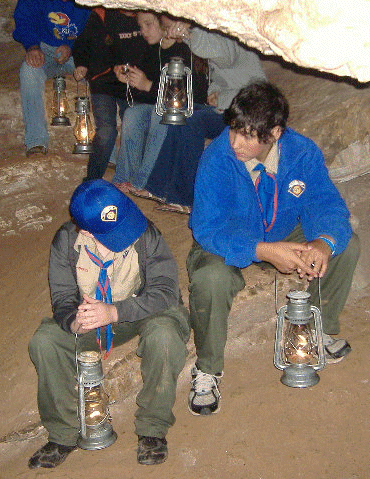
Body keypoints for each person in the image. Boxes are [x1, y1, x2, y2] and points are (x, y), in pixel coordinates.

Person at [187, 81, 360, 415]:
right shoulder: (217, 159)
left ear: (275, 132)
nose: (236, 142)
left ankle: (316, 329)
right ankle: (207, 368)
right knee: (210, 278)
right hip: (230, 236)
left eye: (249, 135)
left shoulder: (302, 152)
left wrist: (323, 242)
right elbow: (207, 228)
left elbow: (326, 204)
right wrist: (263, 250)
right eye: (234, 129)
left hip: (283, 228)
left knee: (345, 245)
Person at [28, 179, 190, 468]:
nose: (126, 236)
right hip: (92, 314)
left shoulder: (144, 232)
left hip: (142, 308)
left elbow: (165, 291)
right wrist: (74, 322)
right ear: (85, 230)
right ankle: (63, 434)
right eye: (114, 233)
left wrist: (115, 312)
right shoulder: (67, 241)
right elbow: (63, 298)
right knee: (45, 341)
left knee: (165, 334)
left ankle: (152, 429)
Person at [116, 20, 267, 214]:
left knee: (191, 120)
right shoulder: (220, 44)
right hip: (226, 111)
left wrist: (190, 35)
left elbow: (226, 59)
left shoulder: (234, 38)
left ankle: (185, 199)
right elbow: (220, 76)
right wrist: (215, 95)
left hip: (248, 113)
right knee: (182, 112)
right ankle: (158, 187)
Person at [112, 12, 209, 203]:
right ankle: (124, 178)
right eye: (140, 26)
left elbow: (193, 96)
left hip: (186, 109)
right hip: (159, 107)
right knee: (132, 113)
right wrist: (129, 79)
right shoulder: (152, 49)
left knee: (158, 112)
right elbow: (146, 95)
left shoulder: (185, 49)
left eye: (148, 25)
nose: (143, 31)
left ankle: (145, 181)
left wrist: (147, 85)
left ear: (163, 25)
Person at [72, 8, 147, 180]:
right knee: (106, 131)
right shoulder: (103, 14)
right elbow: (84, 42)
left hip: (131, 81)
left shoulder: (146, 15)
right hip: (104, 80)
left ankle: (131, 178)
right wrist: (82, 64)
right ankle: (92, 179)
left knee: (134, 125)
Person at [13, 0, 90, 157]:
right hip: (43, 48)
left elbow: (95, 30)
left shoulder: (87, 2)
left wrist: (74, 47)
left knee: (98, 77)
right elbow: (24, 19)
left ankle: (105, 150)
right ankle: (36, 141)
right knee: (28, 71)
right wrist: (32, 47)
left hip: (79, 51)